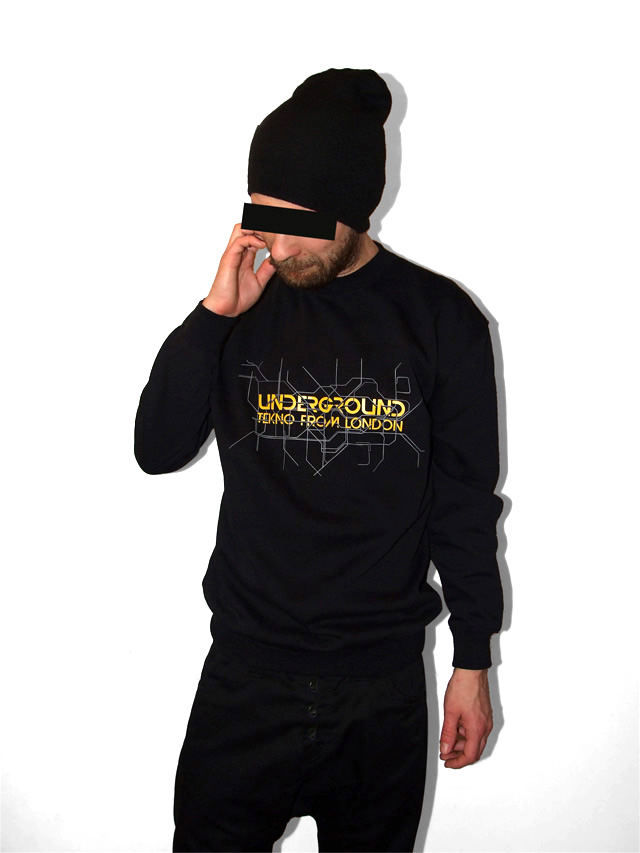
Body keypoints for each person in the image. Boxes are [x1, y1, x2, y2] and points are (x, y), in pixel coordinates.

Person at [134, 68, 504, 853]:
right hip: (246, 681)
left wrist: (473, 660)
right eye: (262, 216)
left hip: (381, 694)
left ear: (354, 208)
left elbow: (465, 503)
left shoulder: (441, 319)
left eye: (296, 223)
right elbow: (156, 450)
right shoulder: (242, 305)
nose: (276, 243)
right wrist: (213, 315)